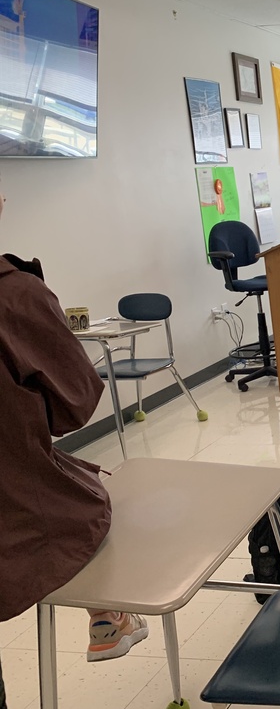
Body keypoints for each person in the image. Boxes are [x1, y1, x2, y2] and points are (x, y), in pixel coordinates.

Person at [0, 192, 149, 680]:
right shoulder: (16, 295)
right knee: (90, 508)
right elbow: (75, 406)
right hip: (14, 506)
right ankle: (108, 616)